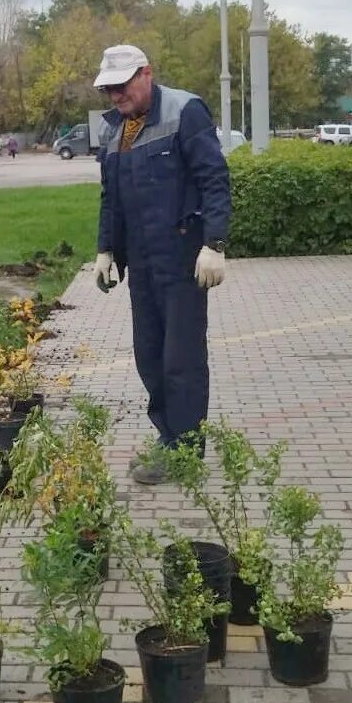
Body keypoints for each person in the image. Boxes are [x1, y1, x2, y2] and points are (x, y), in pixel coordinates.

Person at [91, 44, 231, 485]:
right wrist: (106, 249)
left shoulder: (184, 111)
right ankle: (168, 438)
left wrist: (216, 243)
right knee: (149, 356)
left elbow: (214, 178)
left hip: (182, 259)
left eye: (122, 85)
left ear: (146, 74)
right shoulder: (115, 130)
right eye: (108, 88)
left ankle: (185, 453)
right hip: (143, 265)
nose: (115, 96)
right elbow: (111, 197)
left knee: (181, 359)